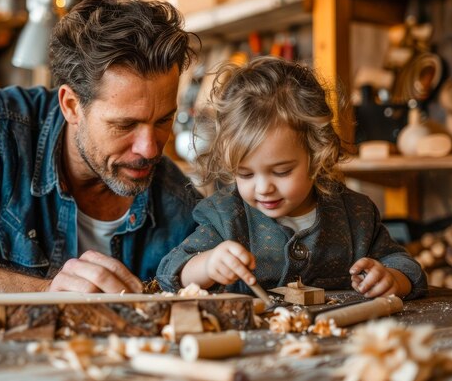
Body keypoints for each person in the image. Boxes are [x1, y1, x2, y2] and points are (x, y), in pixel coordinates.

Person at [0, 0, 201, 298]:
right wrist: (44, 294)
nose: (149, 149)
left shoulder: (179, 200)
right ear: (71, 106)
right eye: (125, 125)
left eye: (162, 121)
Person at [157, 56, 427, 299]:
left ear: (317, 153)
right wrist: (208, 264)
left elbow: (404, 265)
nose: (263, 188)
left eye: (282, 171)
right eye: (246, 173)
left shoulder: (356, 215)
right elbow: (171, 272)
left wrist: (392, 279)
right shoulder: (226, 217)